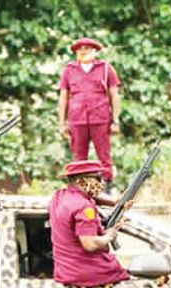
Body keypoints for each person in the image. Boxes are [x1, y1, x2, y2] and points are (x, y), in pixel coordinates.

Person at [49, 161, 130, 288]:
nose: (101, 183)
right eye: (97, 178)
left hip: (65, 272)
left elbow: (88, 197)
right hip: (88, 273)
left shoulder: (59, 197)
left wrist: (115, 202)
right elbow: (90, 244)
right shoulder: (84, 208)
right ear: (81, 181)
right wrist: (109, 236)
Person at [58, 37, 121, 184]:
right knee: (78, 158)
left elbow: (114, 96)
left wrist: (116, 121)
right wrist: (62, 123)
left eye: (86, 48)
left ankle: (106, 185)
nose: (83, 52)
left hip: (100, 118)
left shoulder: (106, 69)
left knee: (104, 156)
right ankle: (80, 188)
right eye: (79, 49)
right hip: (77, 119)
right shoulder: (69, 70)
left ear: (94, 51)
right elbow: (63, 98)